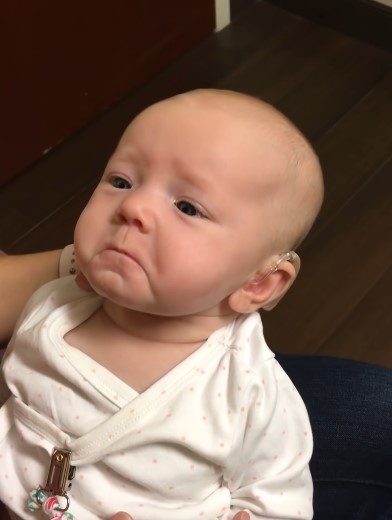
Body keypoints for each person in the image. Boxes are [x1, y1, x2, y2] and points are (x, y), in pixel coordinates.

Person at [0, 89, 324, 520]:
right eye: (121, 181)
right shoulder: (51, 307)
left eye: (188, 207)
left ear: (260, 282)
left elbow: (280, 498)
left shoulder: (247, 389)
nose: (133, 206)